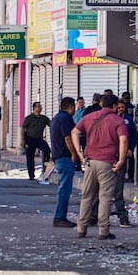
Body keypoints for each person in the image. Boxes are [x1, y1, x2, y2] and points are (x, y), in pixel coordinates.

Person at [72, 94, 128, 240]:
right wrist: (121, 160)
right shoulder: (118, 121)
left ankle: (81, 228)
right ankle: (103, 230)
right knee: (105, 197)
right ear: (114, 106)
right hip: (107, 163)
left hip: (90, 162)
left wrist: (79, 153)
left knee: (87, 196)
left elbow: (74, 132)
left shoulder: (89, 117)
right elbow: (123, 140)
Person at [50, 97, 79, 228]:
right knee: (65, 189)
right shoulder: (66, 119)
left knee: (64, 188)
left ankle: (60, 216)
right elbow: (68, 137)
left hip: (57, 156)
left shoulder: (56, 118)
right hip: (64, 156)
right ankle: (60, 217)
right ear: (70, 106)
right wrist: (74, 153)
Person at [21, 101, 52, 181]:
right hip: (30, 139)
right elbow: (23, 128)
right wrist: (23, 140)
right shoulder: (29, 118)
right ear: (34, 108)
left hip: (39, 139)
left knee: (47, 150)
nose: (39, 108)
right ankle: (31, 175)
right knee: (30, 157)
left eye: (40, 106)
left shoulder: (43, 118)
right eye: (38, 106)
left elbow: (51, 124)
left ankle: (45, 169)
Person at [121, 91, 138, 183]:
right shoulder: (115, 117)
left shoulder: (128, 118)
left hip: (128, 142)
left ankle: (130, 176)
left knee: (130, 159)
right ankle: (125, 176)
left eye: (122, 107)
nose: (121, 109)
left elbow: (133, 132)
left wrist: (131, 147)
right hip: (120, 144)